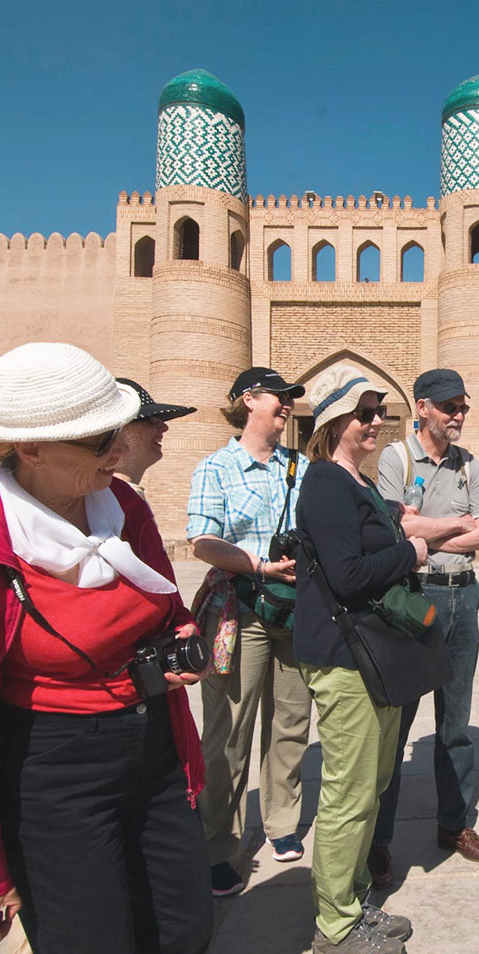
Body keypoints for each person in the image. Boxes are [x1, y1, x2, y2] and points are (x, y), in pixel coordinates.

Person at [0, 342, 211, 954]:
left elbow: (169, 606)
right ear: (30, 448)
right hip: (50, 768)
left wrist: (186, 640)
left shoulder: (122, 507)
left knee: (180, 933)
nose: (120, 452)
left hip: (151, 747)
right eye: (100, 442)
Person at [295, 363, 426, 954]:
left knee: (370, 784)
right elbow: (346, 577)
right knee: (348, 794)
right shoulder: (325, 482)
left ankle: (349, 901)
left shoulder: (359, 481)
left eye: (379, 411)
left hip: (371, 655)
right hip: (344, 656)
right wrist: (410, 551)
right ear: (334, 421)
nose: (378, 420)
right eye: (365, 412)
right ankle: (334, 928)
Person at [186, 367, 312, 897]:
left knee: (290, 720)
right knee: (229, 731)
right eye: (278, 397)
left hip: (292, 610)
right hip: (240, 610)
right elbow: (202, 541)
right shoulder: (216, 467)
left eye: (289, 399)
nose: (286, 405)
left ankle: (282, 823)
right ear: (247, 401)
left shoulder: (299, 466)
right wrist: (260, 566)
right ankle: (219, 845)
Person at [368, 369, 479, 884]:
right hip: (415, 599)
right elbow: (393, 527)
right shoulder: (397, 460)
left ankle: (453, 824)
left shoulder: (470, 465)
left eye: (462, 405)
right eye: (448, 406)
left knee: (455, 724)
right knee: (395, 728)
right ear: (422, 407)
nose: (458, 415)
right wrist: (454, 525)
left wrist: (429, 530)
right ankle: (378, 838)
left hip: (463, 596)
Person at [113, 378, 196, 498]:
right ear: (115, 429)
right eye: (149, 420)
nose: (164, 427)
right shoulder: (95, 501)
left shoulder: (121, 497)